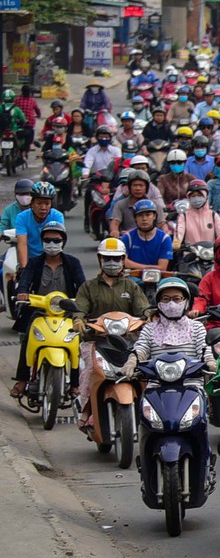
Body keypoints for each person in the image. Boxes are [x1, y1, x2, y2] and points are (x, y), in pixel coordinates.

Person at [75, 238, 152, 439]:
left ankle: (150, 410)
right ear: (100, 259)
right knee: (88, 372)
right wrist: (78, 320)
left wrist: (149, 315)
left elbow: (143, 308)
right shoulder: (88, 287)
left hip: (128, 341)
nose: (112, 262)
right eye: (107, 258)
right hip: (96, 341)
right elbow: (80, 308)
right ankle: (86, 410)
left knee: (148, 371)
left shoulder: (132, 286)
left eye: (116, 258)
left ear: (123, 260)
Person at [10, 225, 84, 397]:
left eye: (56, 240)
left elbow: (82, 287)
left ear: (63, 242)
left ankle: (75, 383)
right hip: (39, 311)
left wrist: (82, 303)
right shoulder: (34, 263)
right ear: (42, 242)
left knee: (76, 340)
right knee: (28, 338)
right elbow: (25, 281)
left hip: (66, 313)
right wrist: (22, 292)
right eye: (47, 240)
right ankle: (22, 380)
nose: (52, 244)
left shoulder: (73, 263)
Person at [12, 180, 64, 271]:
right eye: (39, 203)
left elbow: (57, 244)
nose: (43, 208)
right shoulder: (22, 217)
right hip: (29, 262)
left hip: (51, 262)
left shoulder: (57, 216)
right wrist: (24, 269)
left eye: (47, 203)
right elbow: (22, 244)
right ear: (31, 203)